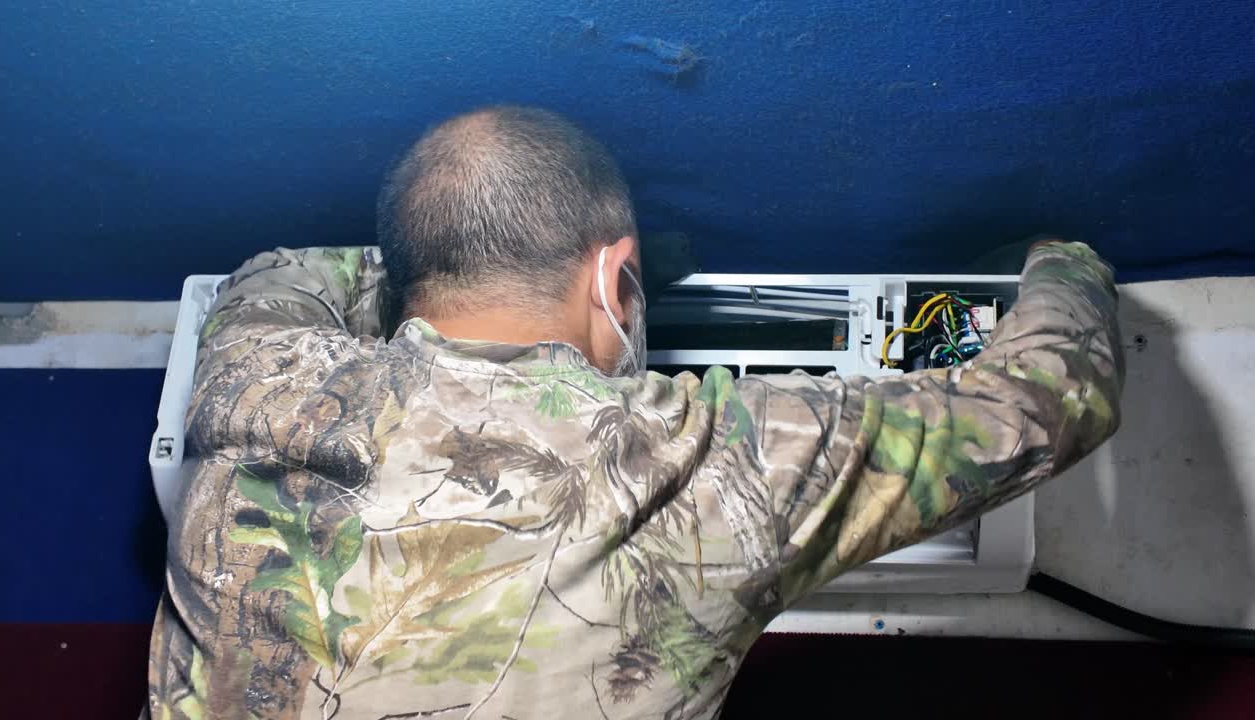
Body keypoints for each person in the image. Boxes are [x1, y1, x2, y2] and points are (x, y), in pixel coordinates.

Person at [145, 106, 1123, 719]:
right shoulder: (711, 471)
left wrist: (428, 268)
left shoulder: (252, 370)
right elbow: (1047, 400)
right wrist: (1059, 258)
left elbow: (276, 273)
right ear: (617, 280)